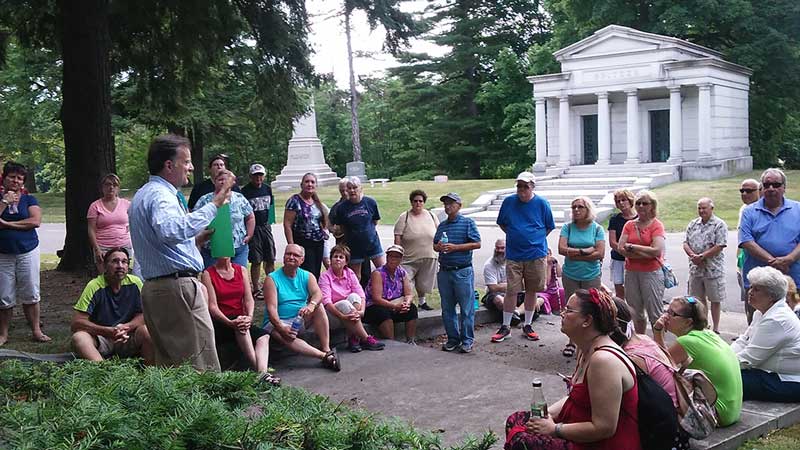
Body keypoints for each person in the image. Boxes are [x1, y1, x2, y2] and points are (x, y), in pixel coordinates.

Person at [129, 134, 234, 371]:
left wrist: (195, 240)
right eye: (185, 161)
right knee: (199, 365)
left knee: (172, 367)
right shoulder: (160, 195)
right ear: (169, 165)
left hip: (159, 289)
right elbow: (169, 230)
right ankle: (204, 408)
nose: (191, 167)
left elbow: (162, 241)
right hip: (177, 291)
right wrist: (216, 203)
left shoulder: (143, 194)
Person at [504, 288, 641, 450]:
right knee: (516, 421)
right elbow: (574, 397)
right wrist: (548, 416)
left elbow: (604, 427)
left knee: (522, 442)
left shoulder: (603, 361)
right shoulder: (585, 348)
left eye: (569, 310)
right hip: (577, 428)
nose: (562, 314)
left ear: (587, 320)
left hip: (601, 444)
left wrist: (554, 429)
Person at [653, 296, 742, 427]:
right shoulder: (708, 334)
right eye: (666, 310)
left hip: (715, 415)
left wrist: (657, 332)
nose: (665, 316)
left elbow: (660, 366)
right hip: (731, 411)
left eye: (672, 314)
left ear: (688, 322)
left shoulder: (687, 342)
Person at [493, 172, 555, 343]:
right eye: (519, 186)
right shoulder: (509, 202)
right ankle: (505, 326)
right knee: (512, 290)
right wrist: (515, 235)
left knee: (532, 290)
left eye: (525, 186)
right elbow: (502, 223)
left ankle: (527, 324)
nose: (521, 189)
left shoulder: (542, 203)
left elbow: (549, 226)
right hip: (514, 254)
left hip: (536, 255)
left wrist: (534, 240)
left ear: (532, 187)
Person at [201, 255, 279, 385]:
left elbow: (249, 299)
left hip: (240, 318)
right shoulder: (208, 274)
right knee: (241, 326)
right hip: (221, 321)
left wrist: (249, 316)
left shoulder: (241, 270)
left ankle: (262, 372)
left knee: (264, 336)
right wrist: (229, 322)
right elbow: (212, 307)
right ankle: (262, 374)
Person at [262, 244, 340, 371]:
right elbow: (271, 309)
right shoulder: (272, 279)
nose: (291, 257)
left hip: (300, 318)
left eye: (296, 255)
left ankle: (326, 348)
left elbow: (317, 294)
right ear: (283, 256)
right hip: (278, 321)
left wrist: (311, 305)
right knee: (282, 333)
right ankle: (324, 356)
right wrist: (281, 328)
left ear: (302, 260)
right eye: (288, 254)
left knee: (318, 307)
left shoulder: (307, 276)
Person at [70, 248, 153, 364]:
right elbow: (77, 323)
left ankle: (149, 372)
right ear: (105, 265)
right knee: (79, 338)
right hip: (102, 337)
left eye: (124, 262)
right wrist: (107, 331)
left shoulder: (136, 283)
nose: (120, 266)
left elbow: (144, 315)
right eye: (115, 261)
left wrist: (126, 327)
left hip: (127, 335)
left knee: (147, 330)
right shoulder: (94, 286)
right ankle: (104, 370)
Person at [739, 168, 800, 323]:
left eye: (776, 184)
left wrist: (788, 259)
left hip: (792, 280)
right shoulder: (749, 212)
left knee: (794, 324)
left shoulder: (798, 209)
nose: (771, 188)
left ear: (784, 187)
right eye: (767, 185)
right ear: (762, 188)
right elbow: (746, 241)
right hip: (759, 285)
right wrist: (774, 262)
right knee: (757, 324)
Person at [731, 266, 800, 402]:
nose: (750, 292)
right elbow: (744, 341)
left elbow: (749, 359)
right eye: (751, 287)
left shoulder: (776, 320)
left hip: (788, 381)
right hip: (770, 373)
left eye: (756, 290)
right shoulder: (761, 312)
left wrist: (719, 365)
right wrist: (725, 354)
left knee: (725, 380)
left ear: (771, 296)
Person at [0, 161, 49, 346]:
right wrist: (5, 202)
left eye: (20, 178)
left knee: (31, 291)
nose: (16, 181)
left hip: (27, 251)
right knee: (4, 295)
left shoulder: (29, 200)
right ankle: (3, 334)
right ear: (4, 178)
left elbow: (35, 221)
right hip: (3, 253)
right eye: (12, 177)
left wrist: (7, 225)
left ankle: (36, 330)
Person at [558, 196, 605, 357]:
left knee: (592, 308)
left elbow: (600, 253)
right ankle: (572, 341)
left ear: (588, 209)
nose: (576, 210)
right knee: (571, 309)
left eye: (580, 207)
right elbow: (562, 249)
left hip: (591, 274)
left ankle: (590, 341)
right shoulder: (568, 227)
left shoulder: (597, 229)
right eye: (574, 207)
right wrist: (586, 251)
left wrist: (576, 253)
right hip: (570, 274)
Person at [434, 193, 481, 353]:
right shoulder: (442, 226)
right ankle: (453, 338)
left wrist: (456, 247)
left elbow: (477, 243)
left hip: (462, 271)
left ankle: (467, 339)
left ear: (459, 206)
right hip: (445, 271)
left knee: (467, 307)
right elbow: (435, 245)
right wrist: (439, 247)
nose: (447, 206)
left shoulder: (468, 223)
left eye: (451, 203)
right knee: (447, 308)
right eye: (446, 203)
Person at [617, 190, 666, 334]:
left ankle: (659, 344)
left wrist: (633, 248)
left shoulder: (657, 225)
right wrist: (645, 252)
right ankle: (640, 342)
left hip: (651, 273)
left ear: (652, 206)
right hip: (631, 272)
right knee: (635, 311)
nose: (641, 206)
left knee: (655, 312)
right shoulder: (629, 225)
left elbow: (657, 250)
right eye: (638, 203)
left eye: (645, 203)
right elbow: (620, 248)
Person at [319, 244, 384, 352]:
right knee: (345, 303)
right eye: (335, 256)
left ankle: (353, 338)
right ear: (331, 259)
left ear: (346, 262)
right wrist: (342, 316)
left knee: (354, 297)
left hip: (350, 312)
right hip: (332, 314)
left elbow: (361, 294)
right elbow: (326, 302)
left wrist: (362, 312)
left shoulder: (350, 273)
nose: (338, 259)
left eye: (341, 257)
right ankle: (366, 338)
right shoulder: (325, 276)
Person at [683, 197, 727, 333]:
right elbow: (685, 243)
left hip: (712, 269)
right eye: (699, 208)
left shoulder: (719, 224)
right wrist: (693, 256)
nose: (701, 211)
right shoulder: (693, 224)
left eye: (704, 208)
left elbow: (720, 245)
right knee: (697, 300)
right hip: (695, 270)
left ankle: (716, 328)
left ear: (711, 208)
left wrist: (702, 256)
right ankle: (702, 325)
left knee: (715, 299)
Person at [195, 171, 255, 268]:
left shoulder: (239, 198)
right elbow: (196, 221)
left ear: (232, 182)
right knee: (214, 279)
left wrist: (249, 235)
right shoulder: (204, 200)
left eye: (226, 180)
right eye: (220, 180)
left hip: (238, 247)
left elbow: (250, 217)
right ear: (214, 182)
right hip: (212, 249)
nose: (223, 182)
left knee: (238, 278)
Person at [394, 189, 439, 311]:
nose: (418, 203)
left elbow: (439, 233)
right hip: (408, 258)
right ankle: (407, 303)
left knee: (423, 283)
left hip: (429, 256)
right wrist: (397, 254)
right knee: (406, 281)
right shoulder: (405, 216)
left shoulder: (431, 215)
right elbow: (398, 235)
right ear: (411, 202)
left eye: (420, 201)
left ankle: (422, 302)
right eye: (415, 201)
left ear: (424, 202)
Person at [87, 173, 139, 277]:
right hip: (103, 247)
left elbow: (134, 223)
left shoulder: (126, 204)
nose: (111, 187)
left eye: (114, 185)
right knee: (104, 278)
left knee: (123, 277)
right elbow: (91, 229)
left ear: (118, 188)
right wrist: (97, 249)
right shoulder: (95, 206)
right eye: (108, 184)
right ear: (102, 187)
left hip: (124, 246)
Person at [333, 177, 385, 280]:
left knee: (382, 271)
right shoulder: (341, 208)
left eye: (355, 187)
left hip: (373, 244)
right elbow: (342, 227)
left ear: (360, 188)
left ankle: (384, 293)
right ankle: (358, 295)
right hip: (354, 247)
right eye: (349, 188)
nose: (352, 190)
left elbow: (375, 221)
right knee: (356, 276)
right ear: (346, 190)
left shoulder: (370, 202)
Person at [365, 244, 418, 344]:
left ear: (401, 259)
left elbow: (408, 294)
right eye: (391, 256)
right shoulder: (378, 273)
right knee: (383, 313)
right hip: (374, 306)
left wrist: (406, 303)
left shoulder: (402, 273)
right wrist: (394, 306)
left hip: (395, 304)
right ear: (387, 257)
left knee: (412, 309)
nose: (393, 259)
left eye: (396, 257)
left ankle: (410, 341)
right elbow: (376, 298)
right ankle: (392, 343)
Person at [283, 173, 329, 279]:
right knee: (307, 273)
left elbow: (321, 221)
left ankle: (314, 293)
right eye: (307, 181)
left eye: (312, 182)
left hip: (318, 243)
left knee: (316, 272)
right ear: (301, 184)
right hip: (303, 243)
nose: (310, 184)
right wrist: (291, 245)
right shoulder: (294, 201)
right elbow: (287, 224)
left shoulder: (316, 202)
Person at [241, 163, 276, 298]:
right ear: (251, 176)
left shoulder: (267, 189)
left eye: (260, 175)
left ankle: (271, 285)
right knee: (256, 259)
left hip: (265, 226)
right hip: (253, 228)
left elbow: (271, 207)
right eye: (255, 176)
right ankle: (256, 288)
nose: (258, 178)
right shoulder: (245, 191)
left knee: (270, 257)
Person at [737, 179, 760, 323]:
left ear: (759, 191)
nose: (745, 194)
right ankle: (749, 334)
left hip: (762, 264)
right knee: (749, 300)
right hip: (746, 262)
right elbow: (742, 240)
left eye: (749, 191)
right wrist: (739, 264)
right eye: (742, 191)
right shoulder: (743, 210)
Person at [607, 189, 637, 299]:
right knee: (619, 289)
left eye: (623, 200)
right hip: (618, 259)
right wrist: (624, 252)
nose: (621, 203)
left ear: (630, 200)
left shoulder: (639, 218)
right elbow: (613, 242)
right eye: (618, 201)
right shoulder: (615, 219)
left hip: (636, 259)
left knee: (634, 290)